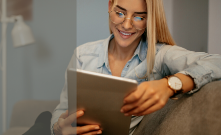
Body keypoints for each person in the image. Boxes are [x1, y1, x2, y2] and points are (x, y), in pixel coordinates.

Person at [51, 0, 221, 135]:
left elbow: (217, 62)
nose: (126, 25)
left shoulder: (160, 55)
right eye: (120, 13)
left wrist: (170, 85)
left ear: (149, 19)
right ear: (110, 6)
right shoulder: (82, 54)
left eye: (139, 17)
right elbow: (62, 108)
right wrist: (58, 129)